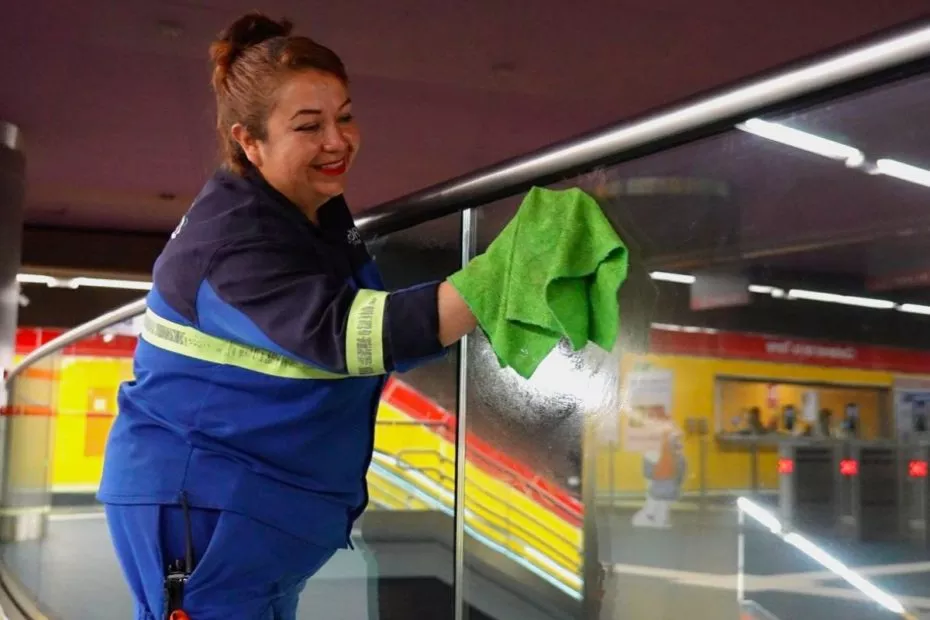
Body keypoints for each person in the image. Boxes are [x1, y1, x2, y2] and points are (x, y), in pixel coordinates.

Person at [98, 12, 479, 620]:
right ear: (249, 142)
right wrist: (500, 282)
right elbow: (347, 334)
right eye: (309, 126)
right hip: (202, 508)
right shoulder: (233, 242)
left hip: (250, 503)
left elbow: (366, 321)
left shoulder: (310, 210)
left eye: (344, 116)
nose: (338, 140)